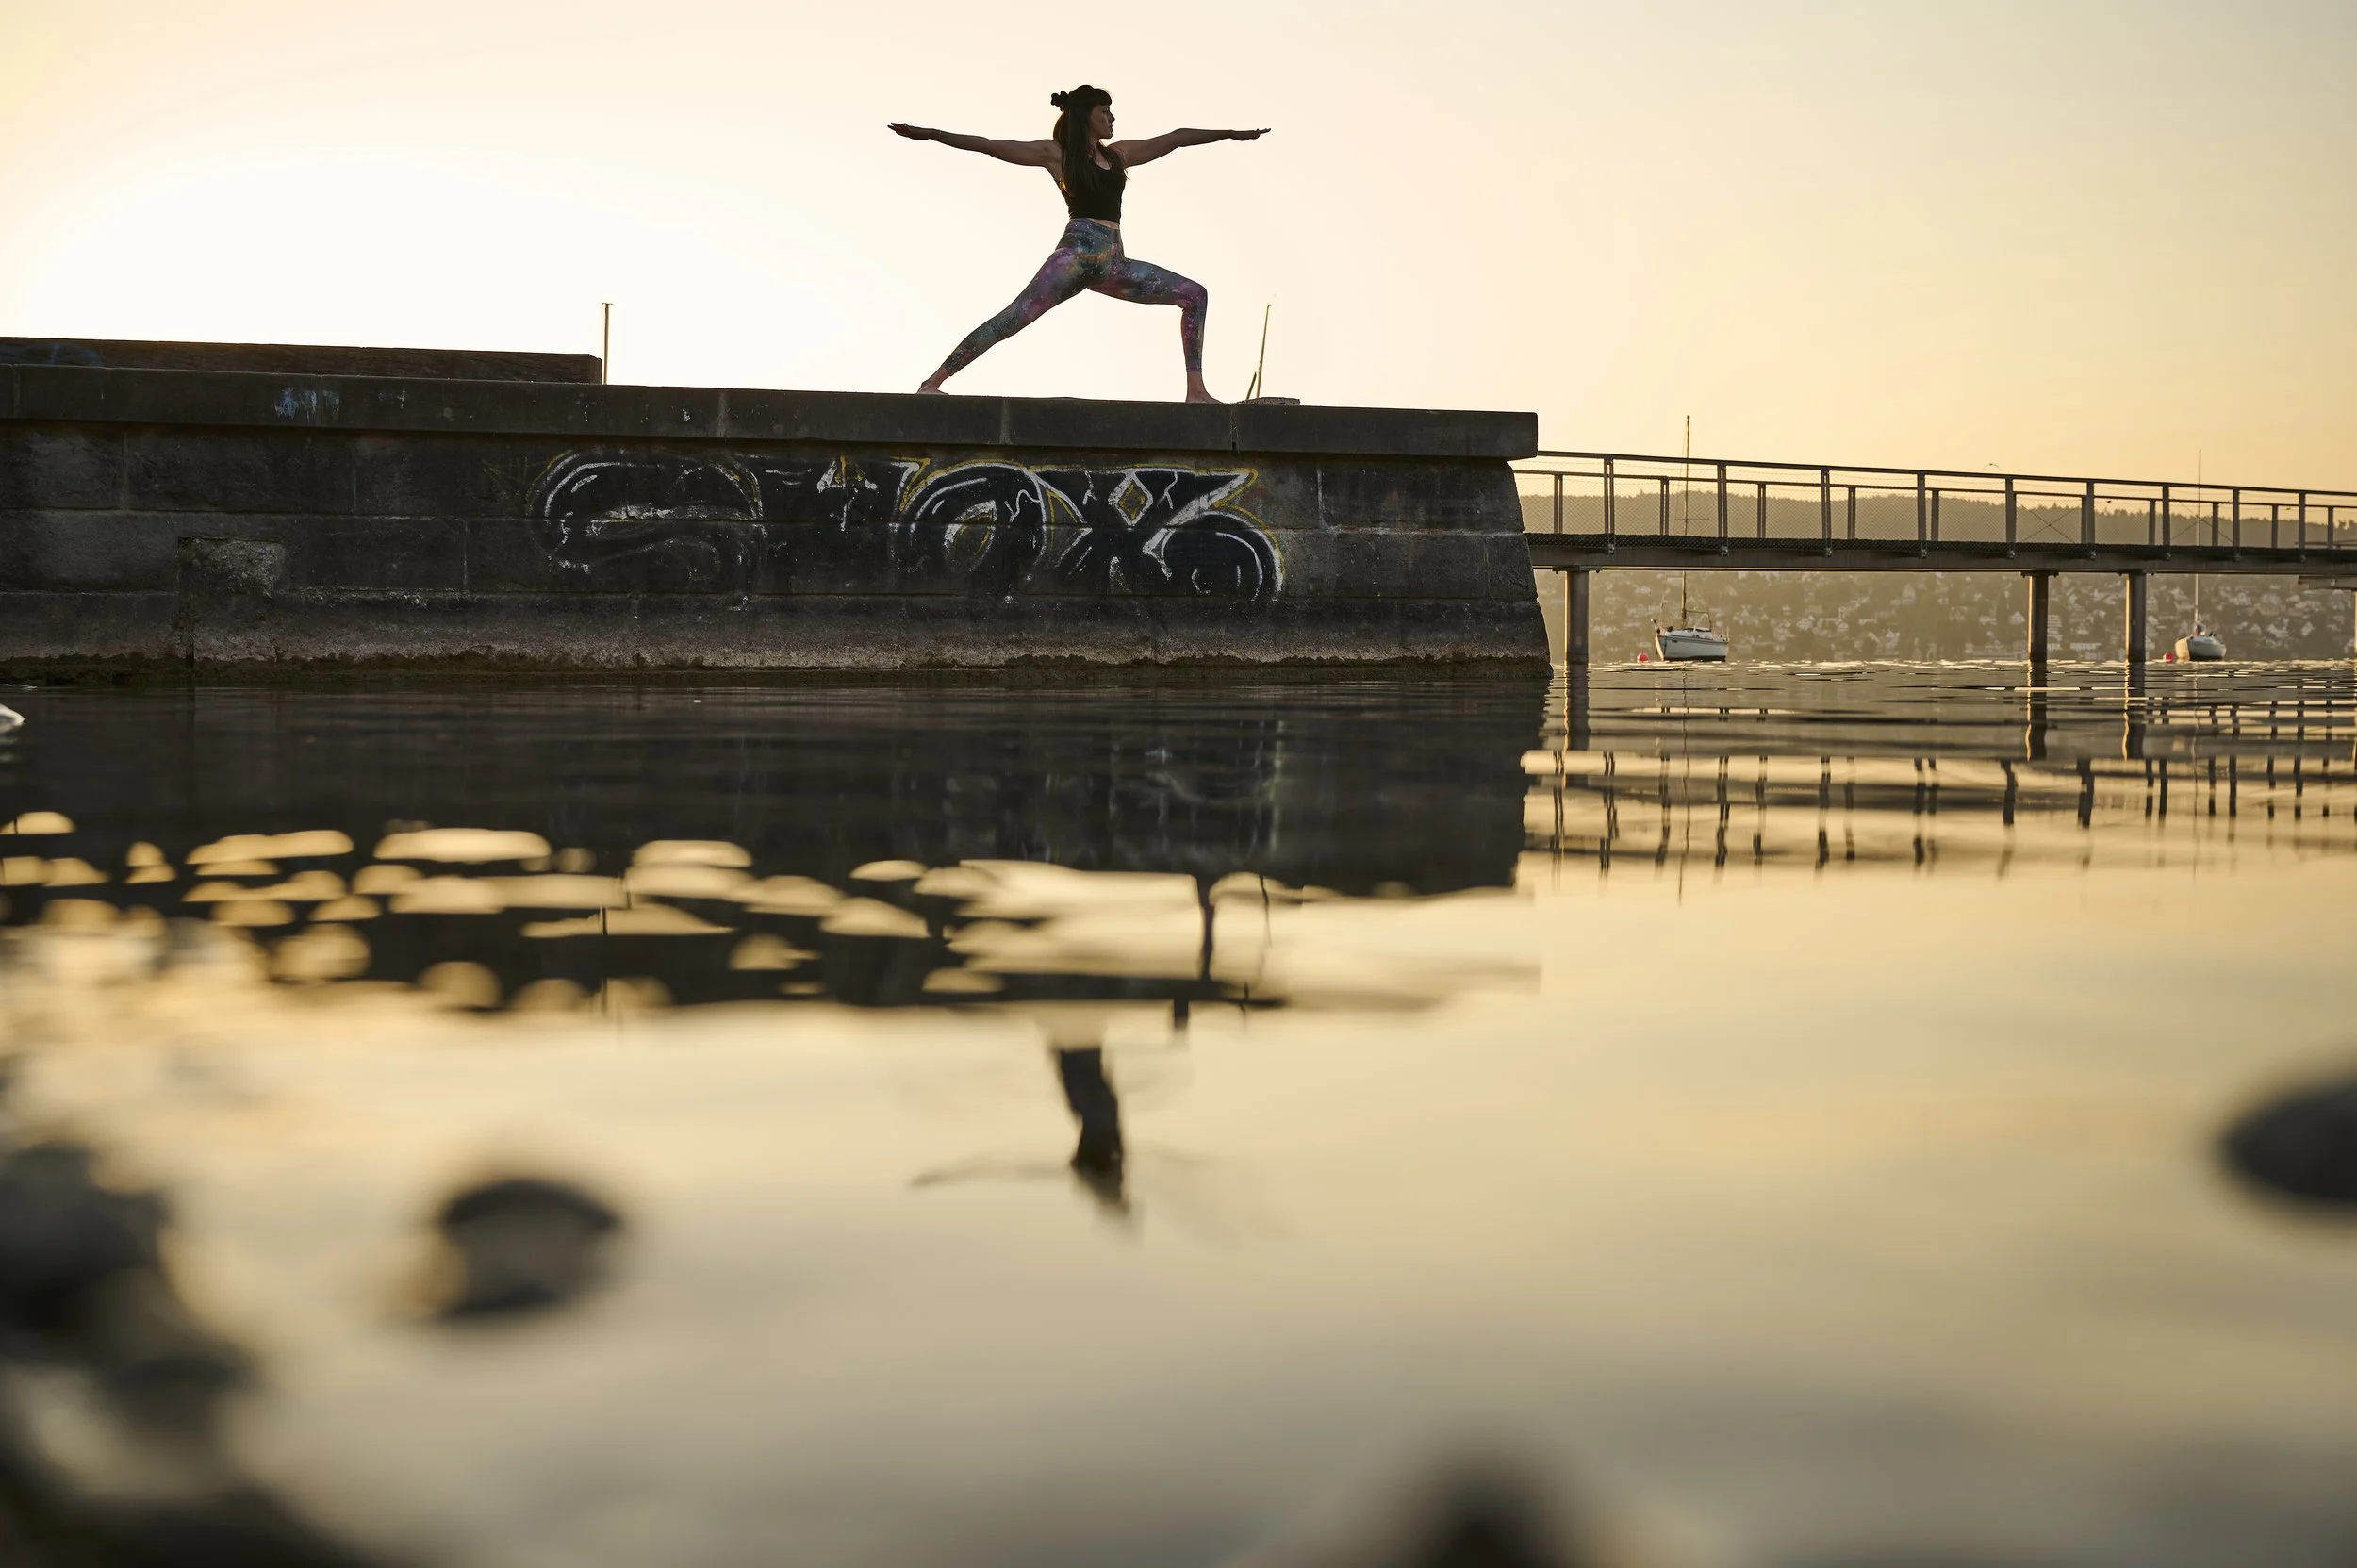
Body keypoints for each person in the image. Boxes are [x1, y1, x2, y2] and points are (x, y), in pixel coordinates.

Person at [890, 85, 1268, 403]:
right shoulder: (1056, 155)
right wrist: (933, 134)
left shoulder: (1119, 155)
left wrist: (1230, 135)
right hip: (1075, 255)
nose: (1113, 119)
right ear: (1087, 115)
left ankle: (1196, 392)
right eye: (1106, 112)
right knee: (1012, 319)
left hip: (1112, 263)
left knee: (1195, 295)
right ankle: (932, 384)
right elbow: (990, 145)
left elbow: (1179, 137)